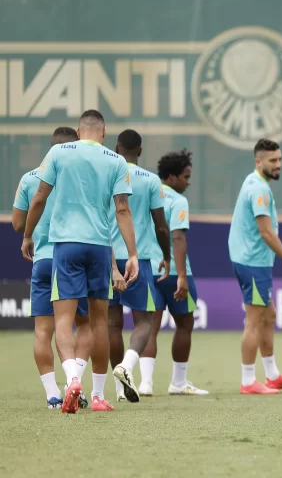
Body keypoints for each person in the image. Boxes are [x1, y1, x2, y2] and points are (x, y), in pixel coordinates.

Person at [21, 110, 139, 413]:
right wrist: (132, 254)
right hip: (100, 246)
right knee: (98, 322)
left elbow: (39, 198)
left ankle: (72, 379)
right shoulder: (116, 161)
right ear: (103, 132)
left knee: (63, 319)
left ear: (79, 129)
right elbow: (123, 210)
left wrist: (28, 235)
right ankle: (98, 395)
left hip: (66, 246)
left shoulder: (59, 152)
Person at [12, 127, 92, 409]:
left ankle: (53, 395)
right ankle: (75, 382)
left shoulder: (29, 178)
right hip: (72, 259)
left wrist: (29, 236)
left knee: (43, 331)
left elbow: (19, 223)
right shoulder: (83, 178)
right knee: (83, 325)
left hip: (43, 259)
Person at [230, 139, 282, 395]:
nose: (278, 165)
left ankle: (272, 375)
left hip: (253, 260)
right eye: (273, 160)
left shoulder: (255, 183)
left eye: (280, 159)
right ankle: (248, 380)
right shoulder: (259, 189)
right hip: (252, 262)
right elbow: (266, 233)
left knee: (268, 315)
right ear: (258, 161)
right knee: (254, 320)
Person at [108, 129, 171, 403]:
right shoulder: (151, 180)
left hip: (107, 257)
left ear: (116, 148)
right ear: (140, 151)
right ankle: (127, 366)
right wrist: (166, 256)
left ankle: (119, 389)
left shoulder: (107, 175)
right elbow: (161, 225)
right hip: (139, 258)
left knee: (111, 323)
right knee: (144, 321)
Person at [139, 149, 208, 396]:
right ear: (171, 177)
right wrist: (180, 276)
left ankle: (145, 383)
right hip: (175, 272)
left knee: (150, 326)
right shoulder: (178, 201)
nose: (188, 182)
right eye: (186, 177)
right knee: (185, 324)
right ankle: (178, 383)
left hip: (148, 269)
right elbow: (177, 238)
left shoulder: (147, 193)